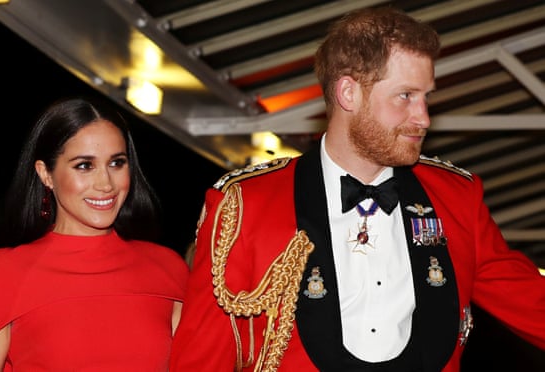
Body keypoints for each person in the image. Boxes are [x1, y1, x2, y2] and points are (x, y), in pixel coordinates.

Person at [169, 7, 545, 372]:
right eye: (405, 96)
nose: (424, 118)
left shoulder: (456, 198)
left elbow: (531, 302)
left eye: (426, 96)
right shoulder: (246, 204)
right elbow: (201, 359)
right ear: (348, 93)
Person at [0, 95, 189, 371]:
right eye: (84, 165)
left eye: (116, 163)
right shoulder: (0, 274)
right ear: (45, 174)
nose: (105, 184)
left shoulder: (167, 268)